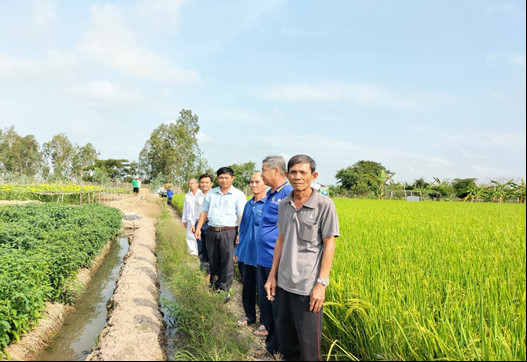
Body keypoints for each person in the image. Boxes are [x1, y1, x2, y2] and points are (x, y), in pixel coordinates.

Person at [265, 155, 339, 361]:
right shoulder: (284, 205)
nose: (298, 177)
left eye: (303, 172)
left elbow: (329, 243)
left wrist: (321, 284)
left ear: (313, 176)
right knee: (288, 345)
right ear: (287, 175)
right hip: (284, 285)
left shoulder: (324, 205)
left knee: (309, 350)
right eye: (293, 172)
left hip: (307, 288)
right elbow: (281, 239)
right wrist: (272, 276)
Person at [255, 156, 293, 355]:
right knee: (267, 305)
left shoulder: (288, 193)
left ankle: (279, 349)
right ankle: (271, 345)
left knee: (277, 307)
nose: (261, 175)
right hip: (263, 259)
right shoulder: (271, 193)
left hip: (274, 261)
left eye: (263, 170)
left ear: (276, 171)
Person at [195, 167, 246, 294]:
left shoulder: (238, 195)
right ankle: (214, 284)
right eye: (221, 178)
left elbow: (241, 216)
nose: (223, 180)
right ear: (217, 179)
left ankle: (224, 288)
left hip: (229, 232)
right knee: (213, 259)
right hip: (212, 231)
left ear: (232, 178)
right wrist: (198, 228)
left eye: (226, 177)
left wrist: (240, 233)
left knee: (227, 261)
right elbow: (204, 212)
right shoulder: (212, 194)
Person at [233, 172, 267, 329]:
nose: (253, 185)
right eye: (251, 182)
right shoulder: (248, 204)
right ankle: (249, 315)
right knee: (247, 287)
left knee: (264, 291)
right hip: (246, 254)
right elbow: (243, 229)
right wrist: (238, 250)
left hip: (263, 256)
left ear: (265, 183)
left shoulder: (270, 205)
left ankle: (265, 322)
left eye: (257, 182)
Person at [191, 173, 214, 271]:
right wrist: (193, 224)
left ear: (211, 184)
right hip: (199, 224)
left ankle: (212, 272)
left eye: (207, 182)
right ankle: (204, 271)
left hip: (210, 224)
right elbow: (195, 210)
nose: (204, 184)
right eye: (202, 182)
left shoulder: (215, 195)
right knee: (201, 248)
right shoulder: (198, 195)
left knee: (211, 249)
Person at [182, 178, 200, 256]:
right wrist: (184, 219)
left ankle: (200, 251)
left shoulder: (202, 194)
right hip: (190, 219)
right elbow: (185, 208)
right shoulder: (187, 195)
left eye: (193, 183)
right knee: (190, 236)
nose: (191, 185)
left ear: (197, 184)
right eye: (190, 183)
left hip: (199, 219)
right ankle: (193, 252)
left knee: (199, 236)